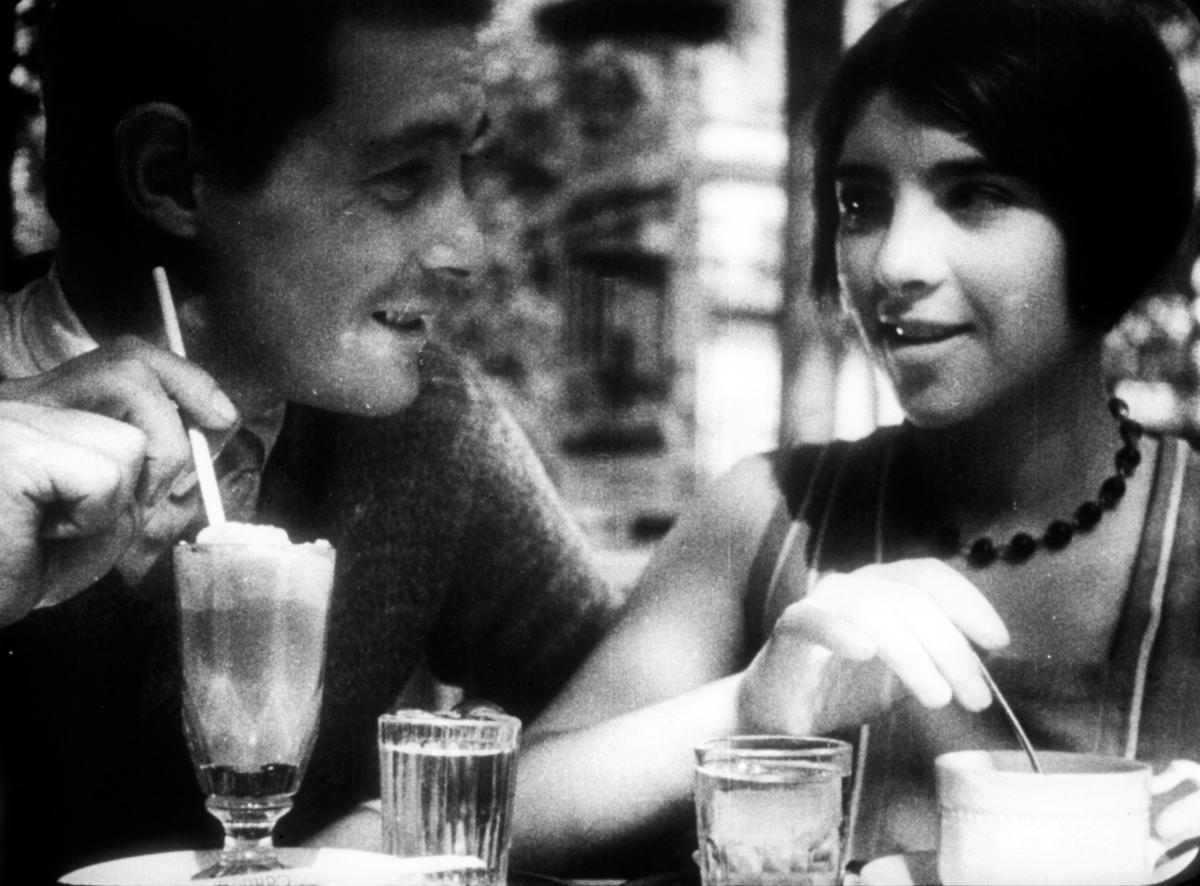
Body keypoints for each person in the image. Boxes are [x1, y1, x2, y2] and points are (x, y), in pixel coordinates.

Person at [508, 0, 1200, 877]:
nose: (895, 262)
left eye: (977, 195)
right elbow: (494, 818)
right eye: (860, 202)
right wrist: (746, 709)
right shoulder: (770, 516)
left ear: (1112, 218)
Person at [0, 0, 618, 882]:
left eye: (464, 169)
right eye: (402, 178)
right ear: (174, 176)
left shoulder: (423, 427)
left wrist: (389, 829)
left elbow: (598, 697)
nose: (467, 246)